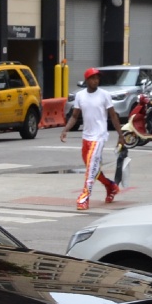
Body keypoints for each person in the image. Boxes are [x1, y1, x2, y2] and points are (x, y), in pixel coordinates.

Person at [58, 67, 120, 211]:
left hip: (99, 137)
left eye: (97, 78)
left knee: (90, 168)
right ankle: (111, 186)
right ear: (87, 80)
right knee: (93, 168)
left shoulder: (104, 95)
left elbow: (113, 115)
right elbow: (74, 116)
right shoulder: (80, 96)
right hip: (86, 137)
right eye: (93, 78)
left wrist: (121, 135)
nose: (96, 81)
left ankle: (84, 198)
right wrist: (65, 130)